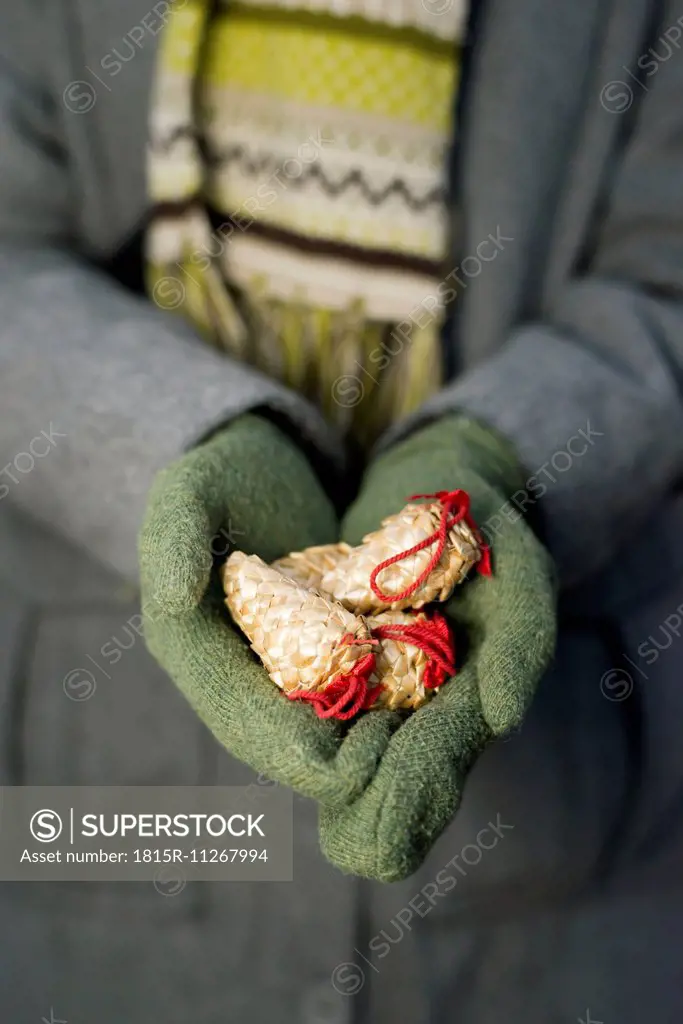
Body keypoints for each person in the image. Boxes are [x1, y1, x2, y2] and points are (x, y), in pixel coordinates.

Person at [0, 0, 682, 1021]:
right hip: (115, 801)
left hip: (564, 848)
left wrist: (501, 451)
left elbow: (663, 268)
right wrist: (188, 437)